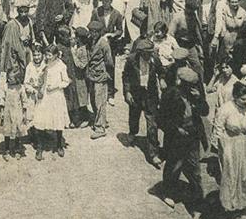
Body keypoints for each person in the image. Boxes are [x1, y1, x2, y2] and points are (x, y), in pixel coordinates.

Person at [158, 66, 209, 209]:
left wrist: (199, 99)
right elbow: (161, 119)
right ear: (182, 83)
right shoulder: (171, 95)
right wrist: (177, 129)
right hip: (176, 138)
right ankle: (167, 192)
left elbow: (205, 111)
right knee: (174, 166)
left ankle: (197, 195)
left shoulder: (195, 94)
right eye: (190, 85)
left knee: (195, 168)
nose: (193, 87)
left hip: (193, 135)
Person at [212, 81, 246, 218]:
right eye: (242, 99)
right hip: (229, 145)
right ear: (235, 96)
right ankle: (231, 205)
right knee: (231, 175)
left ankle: (245, 202)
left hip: (244, 143)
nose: (245, 102)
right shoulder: (226, 109)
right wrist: (220, 148)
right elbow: (218, 128)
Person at [121, 37, 161, 166]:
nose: (149, 55)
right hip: (136, 93)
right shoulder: (132, 60)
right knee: (134, 115)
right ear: (140, 52)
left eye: (151, 52)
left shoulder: (155, 59)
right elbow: (125, 76)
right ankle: (133, 133)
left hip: (150, 94)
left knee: (152, 124)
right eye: (147, 53)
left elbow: (162, 73)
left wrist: (163, 80)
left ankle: (153, 153)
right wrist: (127, 92)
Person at [33, 44, 70, 161]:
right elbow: (41, 78)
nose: (47, 57)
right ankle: (39, 147)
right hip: (45, 95)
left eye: (49, 55)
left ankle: (59, 145)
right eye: (46, 54)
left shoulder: (61, 66)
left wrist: (55, 86)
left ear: (55, 55)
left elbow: (66, 81)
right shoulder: (45, 65)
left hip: (56, 96)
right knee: (41, 119)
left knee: (57, 120)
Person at [87, 21, 113, 139]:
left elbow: (109, 61)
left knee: (100, 101)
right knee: (93, 100)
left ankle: (100, 128)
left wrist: (107, 74)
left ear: (100, 32)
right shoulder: (90, 41)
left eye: (96, 32)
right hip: (92, 75)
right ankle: (100, 121)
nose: (93, 34)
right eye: (91, 31)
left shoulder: (103, 43)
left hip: (100, 75)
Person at [0, 66, 28, 159]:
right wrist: (2, 110)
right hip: (7, 112)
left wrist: (24, 113)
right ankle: (6, 150)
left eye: (11, 78)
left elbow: (24, 101)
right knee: (7, 131)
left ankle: (17, 149)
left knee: (17, 132)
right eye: (8, 77)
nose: (8, 79)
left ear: (17, 79)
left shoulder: (20, 88)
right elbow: (2, 98)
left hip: (17, 113)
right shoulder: (5, 86)